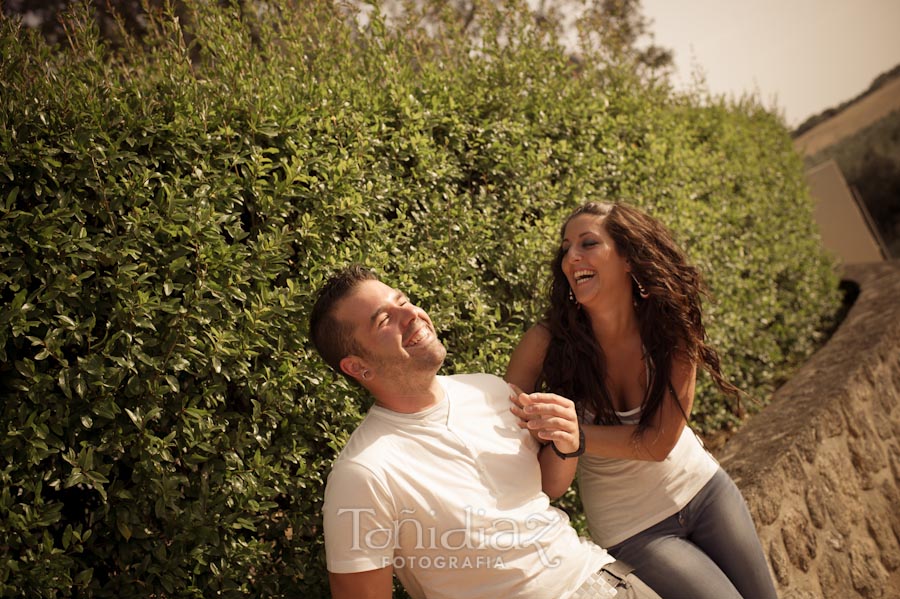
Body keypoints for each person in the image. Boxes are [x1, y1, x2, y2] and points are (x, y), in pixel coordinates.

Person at [309, 265, 662, 599]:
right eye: (385, 319)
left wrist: (565, 444)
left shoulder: (490, 390)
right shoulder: (363, 473)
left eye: (402, 301)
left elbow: (543, 490)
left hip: (607, 579)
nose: (411, 314)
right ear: (357, 366)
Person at [505, 202, 778, 599]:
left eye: (588, 243)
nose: (571, 258)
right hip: (634, 529)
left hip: (705, 490)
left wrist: (577, 435)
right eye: (566, 248)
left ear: (629, 258)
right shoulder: (544, 344)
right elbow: (510, 449)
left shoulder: (671, 329)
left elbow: (659, 442)